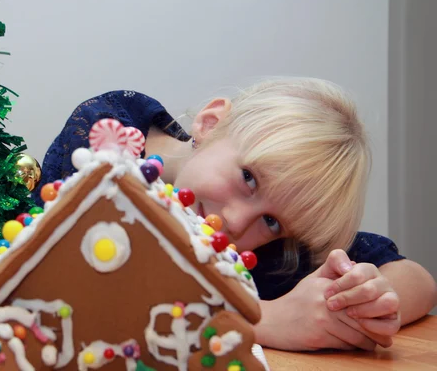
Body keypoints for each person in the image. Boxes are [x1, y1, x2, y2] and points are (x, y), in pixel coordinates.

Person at [32, 78, 437, 352]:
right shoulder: (107, 138)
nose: (238, 222)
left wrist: (362, 302)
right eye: (249, 178)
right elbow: (85, 297)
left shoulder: (260, 249)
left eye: (272, 222)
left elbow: (417, 279)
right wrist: (262, 321)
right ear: (211, 123)